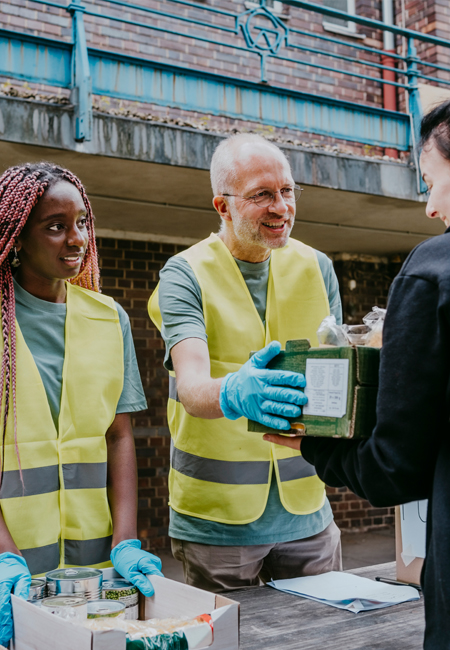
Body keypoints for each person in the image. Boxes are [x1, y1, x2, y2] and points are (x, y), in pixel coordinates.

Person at [263, 101, 450, 649]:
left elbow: (395, 468)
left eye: (431, 182)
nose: (431, 207)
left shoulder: (431, 273)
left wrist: (314, 443)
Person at [148, 133, 343, 593]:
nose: (281, 207)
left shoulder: (318, 267)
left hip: (309, 513)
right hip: (217, 522)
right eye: (261, 195)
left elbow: (337, 376)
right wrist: (236, 391)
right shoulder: (184, 274)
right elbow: (192, 388)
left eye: (288, 191)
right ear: (223, 206)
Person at [0, 162, 162, 648]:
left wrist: (126, 542)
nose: (77, 239)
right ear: (16, 236)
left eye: (82, 223)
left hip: (96, 572)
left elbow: (118, 435)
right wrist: (3, 557)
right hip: (13, 568)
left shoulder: (109, 317)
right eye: (55, 226)